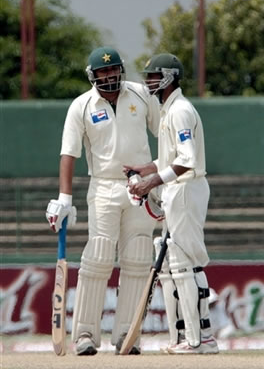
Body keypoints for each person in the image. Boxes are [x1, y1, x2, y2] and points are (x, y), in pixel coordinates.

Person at [46, 46, 160, 355]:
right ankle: (84, 334)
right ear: (93, 75)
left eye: (113, 71)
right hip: (104, 187)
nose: (109, 77)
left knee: (138, 257)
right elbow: (68, 154)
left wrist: (159, 172)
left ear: (121, 71)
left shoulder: (140, 95)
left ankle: (128, 334)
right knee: (97, 259)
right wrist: (64, 198)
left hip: (141, 186)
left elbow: (166, 132)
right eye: (103, 72)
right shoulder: (81, 106)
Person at [125, 53, 219, 354]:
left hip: (186, 189)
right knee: (171, 264)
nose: (149, 81)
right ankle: (187, 337)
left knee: (183, 263)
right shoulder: (168, 109)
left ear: (169, 77)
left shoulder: (179, 111)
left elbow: (187, 160)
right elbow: (170, 158)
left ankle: (197, 340)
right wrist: (147, 169)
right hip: (177, 189)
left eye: (154, 76)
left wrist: (152, 182)